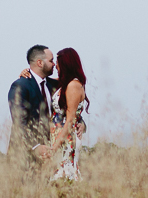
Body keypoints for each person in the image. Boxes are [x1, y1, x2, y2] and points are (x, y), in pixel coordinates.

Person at [7, 45, 57, 178]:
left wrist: (80, 122)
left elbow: (72, 102)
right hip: (24, 157)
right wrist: (35, 146)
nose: (54, 64)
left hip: (49, 157)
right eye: (51, 60)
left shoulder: (53, 85)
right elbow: (19, 122)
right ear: (40, 63)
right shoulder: (20, 86)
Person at [46, 47, 89, 181]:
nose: (55, 66)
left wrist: (54, 147)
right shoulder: (67, 84)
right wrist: (27, 72)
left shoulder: (73, 86)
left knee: (65, 172)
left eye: (57, 63)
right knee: (59, 172)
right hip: (60, 136)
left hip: (66, 138)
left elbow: (70, 119)